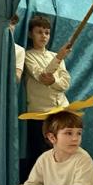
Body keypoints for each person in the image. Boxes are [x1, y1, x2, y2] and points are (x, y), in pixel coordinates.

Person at [23, 14, 72, 164]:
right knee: (42, 157)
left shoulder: (54, 55)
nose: (43, 36)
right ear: (30, 34)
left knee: (63, 154)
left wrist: (53, 81)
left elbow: (65, 83)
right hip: (40, 115)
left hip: (62, 112)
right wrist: (59, 58)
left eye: (47, 33)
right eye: (39, 32)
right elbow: (42, 76)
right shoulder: (28, 56)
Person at [9, 13, 25, 82]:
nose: (10, 26)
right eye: (8, 22)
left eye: (12, 23)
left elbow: (17, 77)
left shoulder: (19, 50)